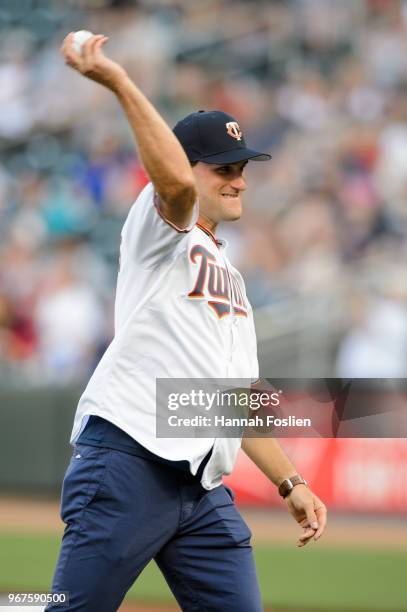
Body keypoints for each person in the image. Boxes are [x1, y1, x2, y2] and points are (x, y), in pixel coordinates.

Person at [47, 33, 327, 612]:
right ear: (188, 167)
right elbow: (173, 185)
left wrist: (291, 482)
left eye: (243, 166)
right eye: (223, 167)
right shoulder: (159, 232)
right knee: (66, 608)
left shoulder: (235, 279)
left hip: (200, 491)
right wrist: (120, 82)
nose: (239, 178)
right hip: (128, 461)